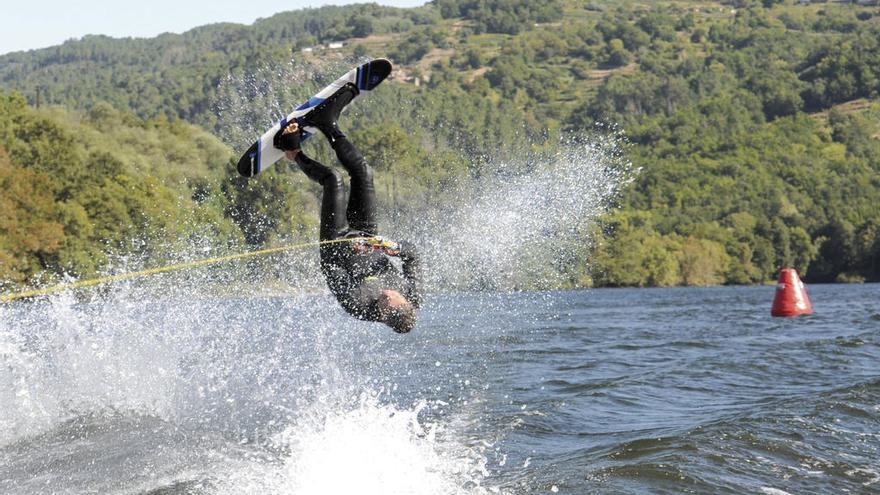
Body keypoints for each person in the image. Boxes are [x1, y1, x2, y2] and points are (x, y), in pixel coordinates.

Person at [273, 83, 421, 333]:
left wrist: (347, 246)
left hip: (337, 242)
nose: (385, 293)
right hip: (368, 234)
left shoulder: (359, 306)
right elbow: (413, 255)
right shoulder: (413, 297)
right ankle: (327, 122)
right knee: (363, 172)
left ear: (383, 317)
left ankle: (292, 151)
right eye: (392, 296)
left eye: (383, 303)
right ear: (405, 302)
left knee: (334, 179)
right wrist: (390, 247)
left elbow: (331, 270)